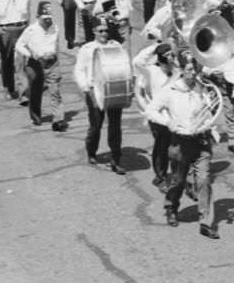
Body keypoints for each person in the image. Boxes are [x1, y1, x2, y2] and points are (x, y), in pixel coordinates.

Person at [146, 56, 222, 236]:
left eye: (194, 70)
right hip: (180, 142)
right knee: (179, 181)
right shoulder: (170, 90)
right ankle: (171, 207)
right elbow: (150, 110)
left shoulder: (203, 89)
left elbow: (210, 110)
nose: (192, 74)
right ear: (181, 70)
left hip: (200, 140)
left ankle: (205, 222)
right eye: (188, 70)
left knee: (203, 180)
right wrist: (167, 122)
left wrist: (208, 123)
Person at [73, 18, 130, 173]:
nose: (104, 33)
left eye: (106, 30)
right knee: (96, 125)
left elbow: (124, 65)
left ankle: (116, 159)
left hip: (113, 89)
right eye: (101, 31)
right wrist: (86, 89)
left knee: (115, 126)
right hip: (94, 90)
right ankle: (91, 151)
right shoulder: (86, 49)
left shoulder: (115, 46)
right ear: (94, 32)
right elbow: (79, 70)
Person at [14, 2, 65, 130]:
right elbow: (19, 45)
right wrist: (30, 54)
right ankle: (35, 115)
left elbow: (56, 45)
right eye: (45, 18)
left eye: (50, 18)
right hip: (36, 64)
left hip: (52, 63)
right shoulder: (31, 30)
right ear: (38, 17)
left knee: (55, 91)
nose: (48, 21)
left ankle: (58, 120)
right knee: (36, 92)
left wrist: (56, 60)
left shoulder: (55, 27)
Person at [133, 41, 177, 189]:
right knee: (162, 146)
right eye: (167, 55)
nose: (171, 57)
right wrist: (155, 46)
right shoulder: (152, 71)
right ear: (160, 57)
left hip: (175, 114)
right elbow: (137, 61)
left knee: (177, 146)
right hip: (157, 115)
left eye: (172, 54)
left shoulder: (177, 70)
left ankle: (180, 177)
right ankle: (161, 176)